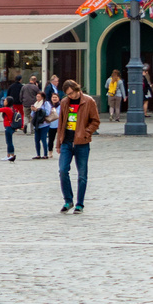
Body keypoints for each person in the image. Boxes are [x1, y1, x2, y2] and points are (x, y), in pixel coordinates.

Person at [56, 79, 100, 214]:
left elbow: (95, 121)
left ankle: (80, 204)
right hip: (67, 142)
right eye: (68, 94)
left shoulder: (88, 101)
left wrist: (86, 132)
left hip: (82, 142)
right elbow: (61, 123)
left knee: (82, 175)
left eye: (72, 93)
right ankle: (68, 200)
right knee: (63, 170)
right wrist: (58, 143)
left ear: (77, 89)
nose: (71, 96)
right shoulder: (64, 102)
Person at [0, 96, 22, 162]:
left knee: (9, 141)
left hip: (8, 127)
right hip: (10, 127)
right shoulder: (12, 108)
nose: (4, 102)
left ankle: (10, 155)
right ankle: (10, 155)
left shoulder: (7, 109)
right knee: (9, 141)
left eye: (5, 100)